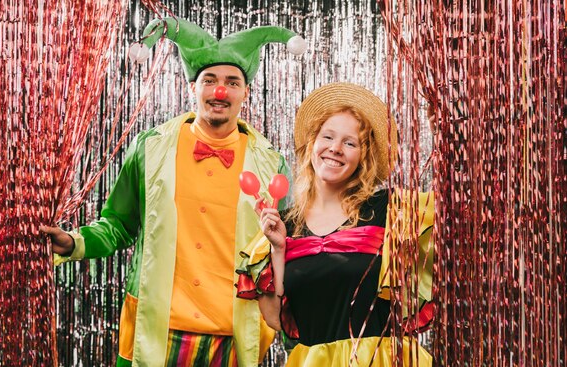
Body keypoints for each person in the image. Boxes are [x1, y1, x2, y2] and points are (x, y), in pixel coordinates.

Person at [40, 17, 306, 367]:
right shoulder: (151, 149)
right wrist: (75, 243)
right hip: (157, 330)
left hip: (232, 336)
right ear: (192, 87)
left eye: (232, 82)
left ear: (246, 91)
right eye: (209, 80)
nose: (219, 91)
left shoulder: (271, 166)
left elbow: (287, 248)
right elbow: (119, 224)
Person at [236, 83, 435, 366]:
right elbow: (274, 318)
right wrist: (278, 249)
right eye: (328, 137)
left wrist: (445, 139)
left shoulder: (388, 209)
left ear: (362, 158)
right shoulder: (285, 225)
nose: (335, 149)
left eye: (350, 143)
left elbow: (453, 210)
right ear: (313, 144)